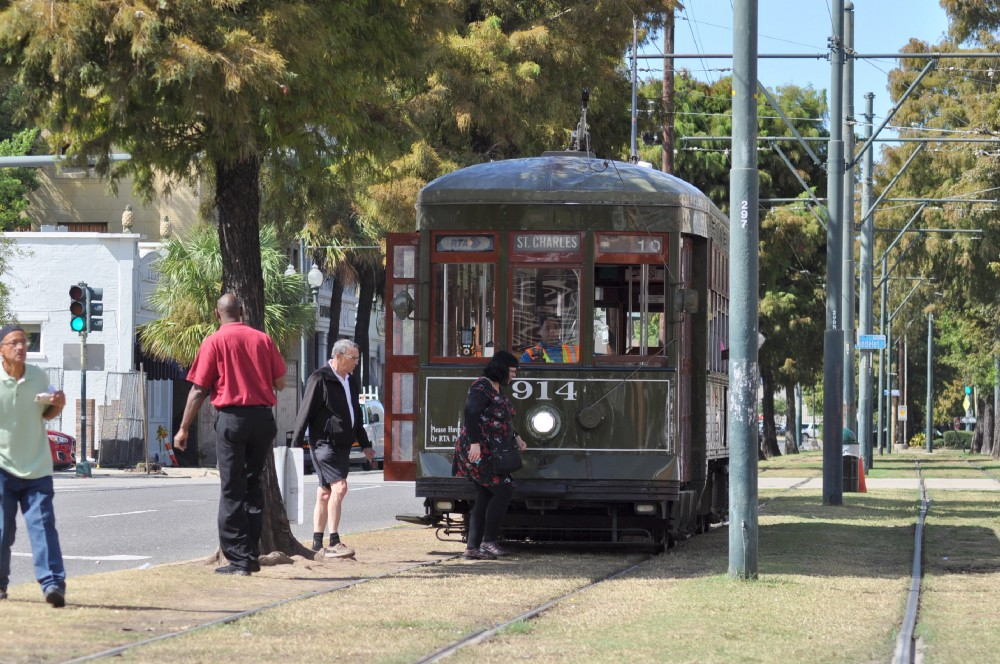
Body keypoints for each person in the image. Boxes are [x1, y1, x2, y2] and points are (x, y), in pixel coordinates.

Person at [174, 294, 286, 576]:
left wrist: (184, 427)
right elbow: (280, 382)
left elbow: (199, 389)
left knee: (231, 488)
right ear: (243, 310)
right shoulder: (262, 339)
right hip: (262, 418)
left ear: (217, 313)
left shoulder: (214, 341)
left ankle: (239, 559)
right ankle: (251, 553)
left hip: (232, 419)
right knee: (253, 484)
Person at [0, 324, 68, 606]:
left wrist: (59, 404)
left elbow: (47, 412)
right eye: (14, 343)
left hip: (37, 467)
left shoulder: (39, 376)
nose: (21, 347)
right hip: (2, 467)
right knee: (2, 530)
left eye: (24, 342)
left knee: (42, 526)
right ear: (1, 349)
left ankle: (53, 585)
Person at [292, 339, 374, 559]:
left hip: (343, 446)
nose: (356, 363)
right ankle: (335, 540)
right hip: (322, 444)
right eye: (353, 358)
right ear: (339, 357)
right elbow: (305, 413)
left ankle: (317, 543)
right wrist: (295, 447)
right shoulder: (320, 378)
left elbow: (355, 414)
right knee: (340, 487)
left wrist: (365, 444)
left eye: (358, 358)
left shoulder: (351, 381)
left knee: (325, 493)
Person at [452, 351, 527, 560]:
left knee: (485, 496)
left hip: (489, 449)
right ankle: (488, 541)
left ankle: (473, 547)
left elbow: (500, 420)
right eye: (512, 371)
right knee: (504, 489)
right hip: (479, 450)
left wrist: (517, 438)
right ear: (501, 368)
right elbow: (471, 414)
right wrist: (474, 444)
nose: (514, 376)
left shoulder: (496, 388)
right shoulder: (481, 386)